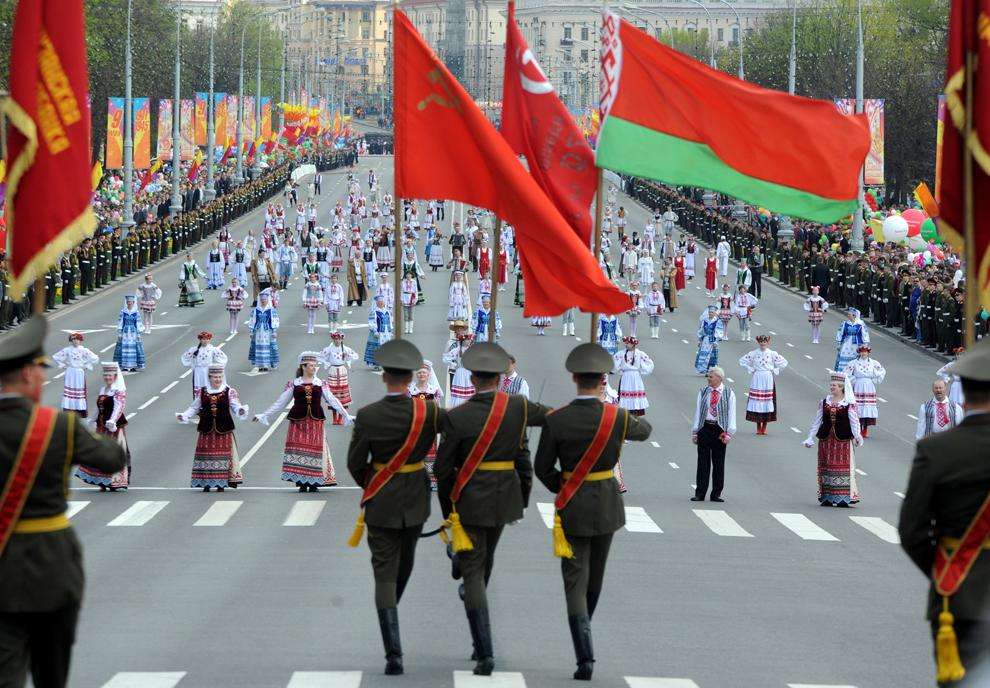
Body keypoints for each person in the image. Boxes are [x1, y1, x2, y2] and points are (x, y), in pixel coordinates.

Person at [0, 315, 126, 688]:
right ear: (26, 374)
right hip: (52, 566)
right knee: (51, 672)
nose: (43, 378)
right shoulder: (58, 426)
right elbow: (111, 459)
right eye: (40, 371)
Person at [534, 343, 652, 680]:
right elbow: (645, 432)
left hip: (573, 502)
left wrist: (566, 485)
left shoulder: (557, 419)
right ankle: (586, 626)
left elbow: (543, 468)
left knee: (575, 579)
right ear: (603, 380)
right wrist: (614, 409)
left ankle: (583, 655)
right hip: (606, 504)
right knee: (595, 579)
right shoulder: (615, 416)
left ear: (573, 378)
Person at [435, 342, 551, 676]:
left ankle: (484, 651)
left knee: (474, 571)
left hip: (469, 499)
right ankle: (478, 637)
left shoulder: (457, 417)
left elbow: (443, 471)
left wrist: (449, 512)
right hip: (505, 499)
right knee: (484, 563)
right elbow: (541, 435)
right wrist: (524, 497)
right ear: (500, 379)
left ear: (471, 380)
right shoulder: (518, 408)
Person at [345, 340, 441, 676]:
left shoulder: (369, 415)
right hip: (416, 498)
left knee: (384, 573)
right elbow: (461, 428)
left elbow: (355, 463)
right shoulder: (427, 412)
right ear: (412, 377)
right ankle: (391, 615)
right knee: (405, 565)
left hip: (381, 500)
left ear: (384, 377)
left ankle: (393, 652)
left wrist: (373, 482)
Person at [899, 340, 990, 685]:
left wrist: (946, 568)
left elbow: (912, 531)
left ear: (962, 393)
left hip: (957, 593)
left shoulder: (937, 450)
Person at [255, 352, 351, 491]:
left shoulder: (321, 383)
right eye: (311, 366)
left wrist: (346, 414)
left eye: (315, 365)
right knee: (299, 451)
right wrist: (265, 414)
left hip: (315, 421)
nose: (314, 368)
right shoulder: (294, 384)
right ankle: (301, 482)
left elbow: (332, 400)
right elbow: (281, 402)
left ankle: (314, 483)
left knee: (314, 451)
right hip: (298, 421)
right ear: (303, 367)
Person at [176, 363, 248, 491]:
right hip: (207, 428)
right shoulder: (202, 392)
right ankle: (206, 483)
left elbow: (235, 405)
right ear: (209, 377)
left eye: (220, 377)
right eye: (215, 377)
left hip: (223, 428)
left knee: (223, 455)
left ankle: (221, 483)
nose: (218, 379)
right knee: (206, 456)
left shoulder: (229, 391)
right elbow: (194, 407)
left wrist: (241, 410)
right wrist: (184, 415)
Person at [803, 370, 863, 506]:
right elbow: (817, 421)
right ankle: (827, 496)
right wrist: (810, 437)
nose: (832, 387)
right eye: (831, 385)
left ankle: (842, 498)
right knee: (826, 467)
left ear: (842, 387)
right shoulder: (824, 402)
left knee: (842, 467)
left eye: (834, 385)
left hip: (842, 441)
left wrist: (857, 436)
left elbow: (854, 422)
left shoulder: (848, 404)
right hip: (826, 440)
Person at [74, 362, 131, 491]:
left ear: (115, 376)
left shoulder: (118, 391)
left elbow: (119, 407)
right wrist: (92, 419)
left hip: (113, 428)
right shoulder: (103, 389)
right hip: (101, 426)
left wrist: (112, 421)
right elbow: (99, 408)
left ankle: (113, 481)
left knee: (112, 453)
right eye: (105, 375)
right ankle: (101, 482)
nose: (107, 378)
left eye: (110, 375)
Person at [690, 366, 737, 502]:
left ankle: (716, 493)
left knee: (718, 462)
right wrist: (695, 431)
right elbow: (698, 412)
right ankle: (700, 493)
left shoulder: (728, 393)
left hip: (719, 429)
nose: (708, 379)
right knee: (702, 462)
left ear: (719, 378)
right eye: (708, 377)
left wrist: (729, 432)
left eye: (711, 377)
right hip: (705, 427)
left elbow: (731, 413)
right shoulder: (703, 391)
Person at [738, 335, 788, 435]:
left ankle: (764, 426)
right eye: (761, 342)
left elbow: (784, 362)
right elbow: (742, 361)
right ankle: (758, 426)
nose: (762, 344)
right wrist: (751, 369)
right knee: (757, 401)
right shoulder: (754, 353)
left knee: (766, 401)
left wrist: (774, 370)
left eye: (764, 342)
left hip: (767, 378)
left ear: (767, 343)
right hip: (757, 377)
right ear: (759, 342)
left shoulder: (772, 353)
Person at [408, 359, 445, 490]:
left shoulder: (434, 390)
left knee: (431, 451)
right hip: (416, 425)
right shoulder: (411, 389)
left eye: (424, 373)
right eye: (419, 373)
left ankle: (431, 480)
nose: (422, 375)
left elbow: (437, 407)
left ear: (429, 375)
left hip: (429, 425)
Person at [843, 345, 885, 438]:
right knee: (857, 407)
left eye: (865, 351)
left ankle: (865, 429)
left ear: (868, 352)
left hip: (869, 386)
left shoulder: (874, 363)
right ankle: (856, 429)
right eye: (862, 351)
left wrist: (872, 380)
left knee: (867, 407)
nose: (863, 353)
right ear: (859, 352)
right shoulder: (853, 363)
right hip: (858, 386)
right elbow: (846, 374)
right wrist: (854, 380)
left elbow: (881, 372)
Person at [52, 333, 98, 417]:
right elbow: (56, 357)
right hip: (70, 372)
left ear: (80, 341)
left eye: (77, 340)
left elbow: (95, 358)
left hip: (79, 372)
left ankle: (80, 410)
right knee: (70, 390)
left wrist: (86, 365)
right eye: (73, 340)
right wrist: (63, 365)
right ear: (71, 341)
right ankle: (69, 409)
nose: (75, 341)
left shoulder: (84, 350)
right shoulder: (67, 350)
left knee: (79, 389)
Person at [319, 332, 360, 425]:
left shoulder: (345, 349)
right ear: (333, 339)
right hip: (333, 370)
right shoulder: (329, 349)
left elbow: (355, 356)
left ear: (341, 339)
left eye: (338, 339)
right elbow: (320, 356)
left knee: (342, 393)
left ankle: (341, 418)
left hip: (342, 370)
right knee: (333, 394)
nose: (337, 341)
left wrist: (348, 361)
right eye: (335, 339)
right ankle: (334, 418)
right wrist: (327, 363)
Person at [613, 337, 654, 416]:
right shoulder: (621, 353)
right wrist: (619, 370)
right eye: (626, 343)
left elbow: (649, 363)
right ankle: (625, 412)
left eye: (629, 343)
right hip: (626, 376)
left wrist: (642, 371)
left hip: (635, 377)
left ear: (633, 345)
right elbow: (614, 364)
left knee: (635, 394)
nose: (627, 344)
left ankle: (635, 412)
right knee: (625, 393)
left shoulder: (639, 353)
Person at [181, 331, 228, 399]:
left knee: (209, 386)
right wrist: (192, 361)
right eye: (203, 339)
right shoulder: (194, 349)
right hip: (198, 372)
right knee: (199, 387)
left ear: (209, 340)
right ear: (200, 340)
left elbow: (223, 358)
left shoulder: (212, 349)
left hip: (208, 371)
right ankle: (198, 401)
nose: (205, 341)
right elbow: (185, 358)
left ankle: (210, 400)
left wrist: (216, 367)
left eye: (207, 339)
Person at [247, 288, 280, 371]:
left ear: (267, 300)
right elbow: (252, 321)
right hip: (258, 331)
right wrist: (251, 331)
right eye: (262, 299)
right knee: (258, 347)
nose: (263, 301)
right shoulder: (256, 310)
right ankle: (260, 365)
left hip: (267, 331)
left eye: (264, 299)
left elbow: (274, 321)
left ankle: (266, 364)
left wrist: (274, 331)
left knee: (269, 347)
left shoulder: (271, 310)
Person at [113, 295, 146, 372]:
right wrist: (120, 332)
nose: (129, 303)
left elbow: (138, 322)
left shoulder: (136, 312)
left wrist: (138, 332)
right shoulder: (123, 312)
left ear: (133, 302)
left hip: (133, 332)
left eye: (130, 302)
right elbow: (120, 322)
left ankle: (133, 365)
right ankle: (124, 365)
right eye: (128, 302)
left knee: (133, 348)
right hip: (125, 332)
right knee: (124, 348)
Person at [834, 307, 869, 372]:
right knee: (844, 354)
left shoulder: (860, 324)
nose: (848, 315)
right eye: (848, 314)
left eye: (849, 314)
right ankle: (843, 371)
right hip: (846, 343)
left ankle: (854, 371)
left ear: (854, 315)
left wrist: (865, 344)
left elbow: (865, 333)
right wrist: (839, 343)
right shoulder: (845, 323)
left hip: (857, 344)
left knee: (856, 356)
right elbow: (840, 332)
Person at [365, 295, 394, 370]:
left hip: (386, 333)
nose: (381, 303)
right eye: (379, 302)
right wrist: (375, 331)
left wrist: (390, 330)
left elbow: (390, 322)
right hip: (378, 333)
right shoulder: (374, 312)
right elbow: (371, 322)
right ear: (376, 303)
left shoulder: (387, 311)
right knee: (377, 348)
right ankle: (376, 364)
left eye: (382, 302)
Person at [695, 306, 724, 375]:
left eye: (712, 312)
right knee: (704, 354)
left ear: (714, 313)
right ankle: (704, 369)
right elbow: (701, 331)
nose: (710, 313)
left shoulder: (717, 321)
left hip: (712, 340)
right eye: (710, 312)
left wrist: (716, 341)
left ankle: (710, 370)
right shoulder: (705, 320)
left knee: (711, 356)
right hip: (705, 340)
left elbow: (718, 331)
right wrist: (699, 340)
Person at [400, 270, 418, 335]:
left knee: (411, 314)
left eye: (409, 274)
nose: (408, 276)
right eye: (407, 274)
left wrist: (415, 299)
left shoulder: (414, 282)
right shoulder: (403, 282)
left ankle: (410, 328)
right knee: (406, 315)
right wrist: (401, 300)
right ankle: (406, 328)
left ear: (411, 275)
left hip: (411, 297)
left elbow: (416, 291)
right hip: (405, 297)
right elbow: (401, 291)